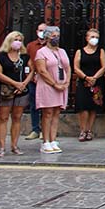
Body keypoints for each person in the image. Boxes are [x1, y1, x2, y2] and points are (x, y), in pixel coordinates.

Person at [0, 31, 32, 157]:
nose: (18, 42)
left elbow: (32, 70)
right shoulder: (1, 57)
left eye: (20, 40)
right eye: (16, 40)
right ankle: (1, 147)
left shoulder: (24, 57)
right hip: (5, 91)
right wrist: (15, 83)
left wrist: (24, 84)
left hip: (21, 91)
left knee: (17, 117)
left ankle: (14, 145)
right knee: (3, 117)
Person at [34, 26, 70, 154]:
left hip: (61, 85)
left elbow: (67, 67)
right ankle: (45, 141)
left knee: (56, 112)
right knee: (48, 113)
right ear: (47, 37)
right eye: (54, 36)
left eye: (57, 36)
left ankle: (53, 139)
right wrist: (54, 84)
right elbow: (42, 71)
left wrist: (67, 82)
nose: (56, 38)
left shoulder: (62, 51)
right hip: (48, 85)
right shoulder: (41, 52)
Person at [73, 28, 105, 142]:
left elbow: (103, 67)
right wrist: (86, 77)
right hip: (83, 81)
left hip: (96, 82)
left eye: (96, 37)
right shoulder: (80, 52)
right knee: (83, 106)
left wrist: (94, 78)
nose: (94, 39)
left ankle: (89, 130)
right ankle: (83, 130)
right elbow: (76, 67)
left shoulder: (101, 51)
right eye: (92, 37)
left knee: (93, 106)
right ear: (87, 38)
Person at [24, 22, 47, 141]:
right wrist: (30, 76)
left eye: (44, 30)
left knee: (46, 106)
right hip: (33, 79)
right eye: (40, 30)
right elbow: (27, 62)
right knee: (34, 105)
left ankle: (44, 130)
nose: (42, 33)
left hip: (46, 79)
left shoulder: (50, 46)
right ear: (37, 32)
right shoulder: (31, 46)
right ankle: (35, 129)